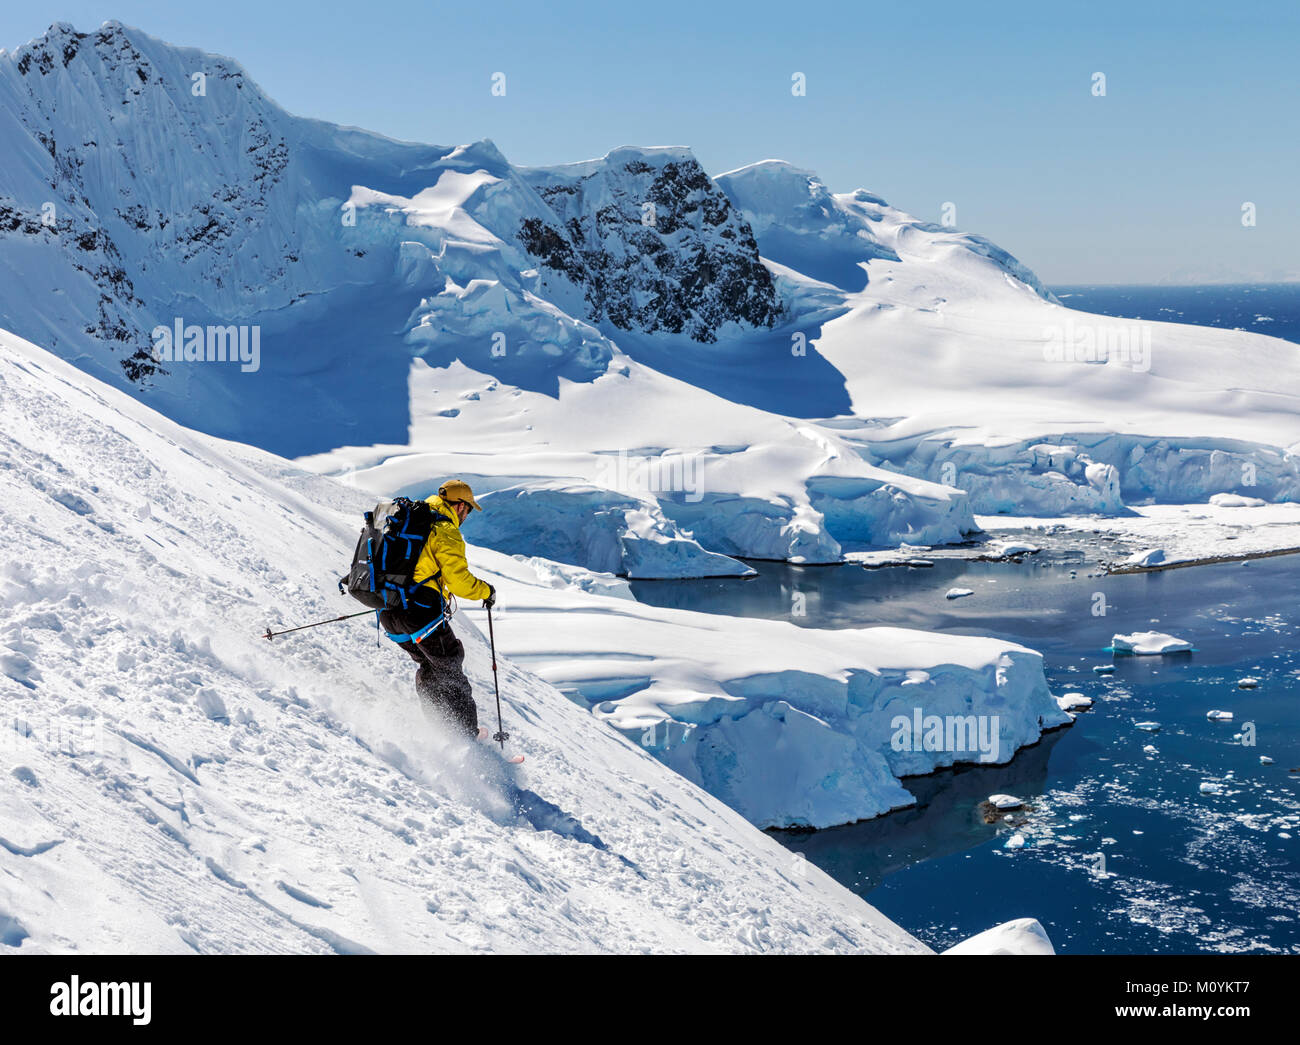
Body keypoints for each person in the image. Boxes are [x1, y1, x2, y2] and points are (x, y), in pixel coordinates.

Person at [378, 479, 495, 738]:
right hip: (420, 613)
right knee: (450, 665)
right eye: (468, 509)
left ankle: (441, 729)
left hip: (388, 612)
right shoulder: (445, 530)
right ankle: (466, 736)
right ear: (460, 506)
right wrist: (486, 591)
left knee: (430, 666)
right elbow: (459, 582)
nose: (467, 515)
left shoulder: (411, 519)